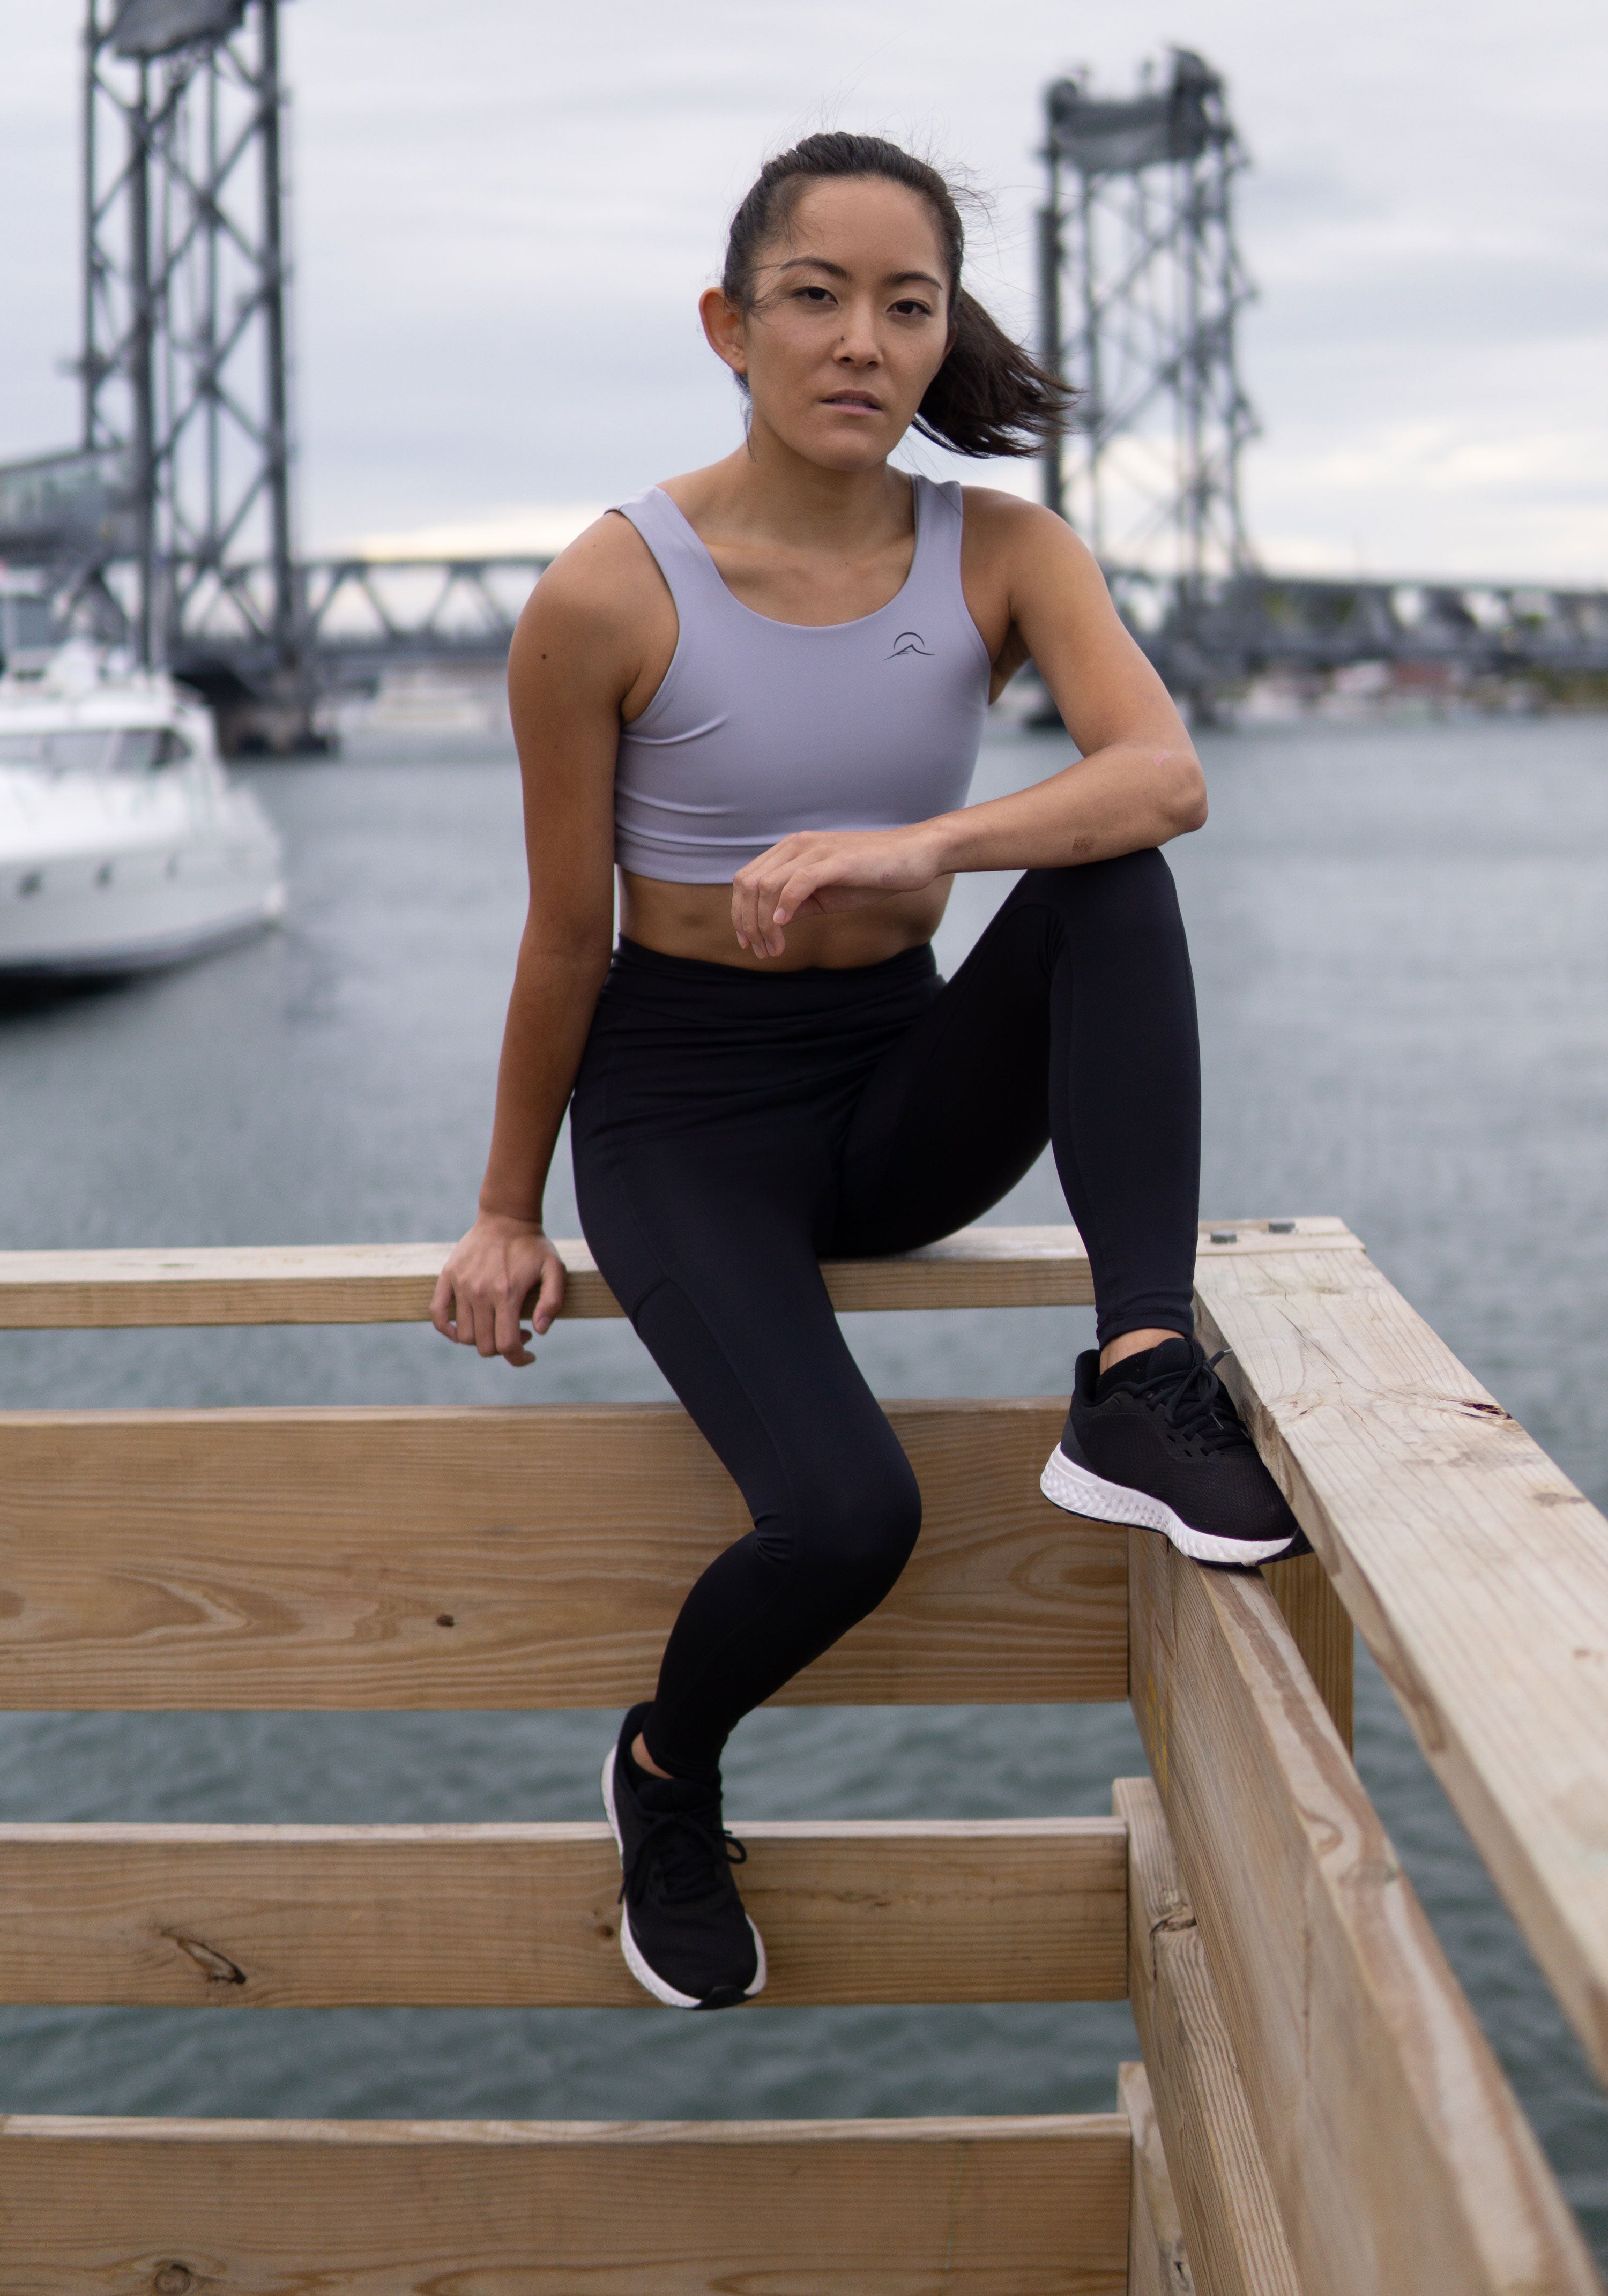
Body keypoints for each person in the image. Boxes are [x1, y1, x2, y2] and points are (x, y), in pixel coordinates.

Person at [431, 131, 1306, 2014]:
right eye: (814, 297)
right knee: (850, 1515)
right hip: (683, 1116)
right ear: (728, 325)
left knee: (1109, 876)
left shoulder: (1001, 548)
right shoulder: (608, 590)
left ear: (940, 335)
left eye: (906, 304)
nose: (861, 340)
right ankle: (667, 1770)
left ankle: (1138, 1371)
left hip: (895, 1081)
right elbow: (564, 937)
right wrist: (508, 1204)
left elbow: (1163, 777)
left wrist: (925, 849)